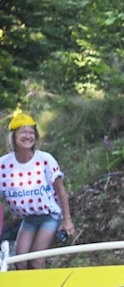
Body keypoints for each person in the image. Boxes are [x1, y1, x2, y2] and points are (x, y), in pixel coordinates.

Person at [0, 112, 75, 269]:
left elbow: (61, 191)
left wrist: (66, 220)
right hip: (28, 218)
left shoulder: (45, 160)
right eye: (23, 132)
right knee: (20, 261)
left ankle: (42, 284)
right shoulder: (4, 164)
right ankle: (26, 285)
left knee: (36, 260)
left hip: (49, 216)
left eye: (31, 132)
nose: (28, 136)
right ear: (14, 136)